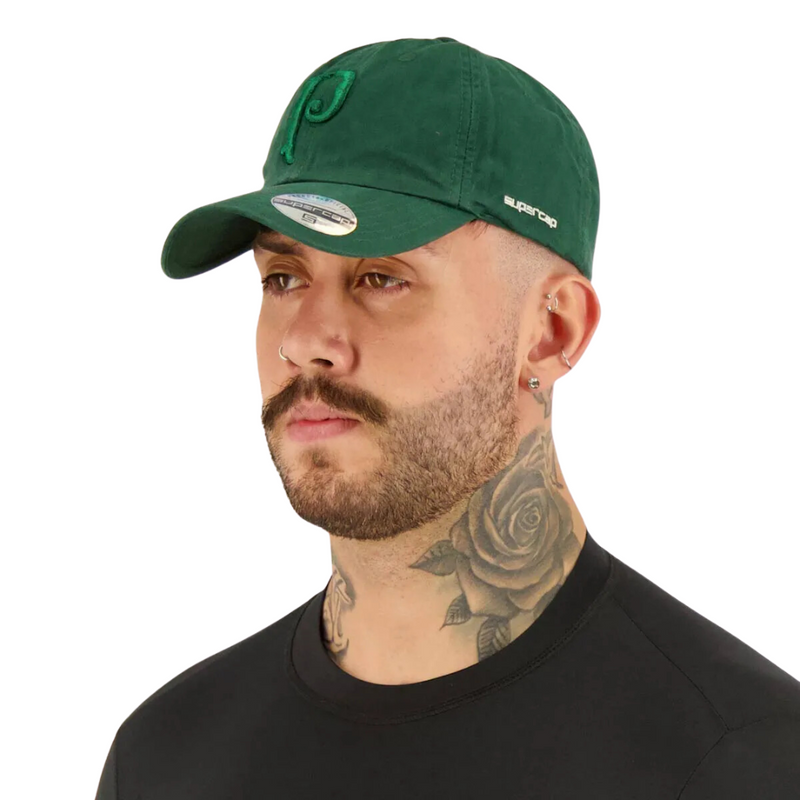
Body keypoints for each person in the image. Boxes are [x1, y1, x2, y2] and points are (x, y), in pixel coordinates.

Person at [94, 37, 800, 799]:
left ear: (551, 330)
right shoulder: (167, 757)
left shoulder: (744, 760)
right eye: (284, 277)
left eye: (381, 277)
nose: (304, 341)